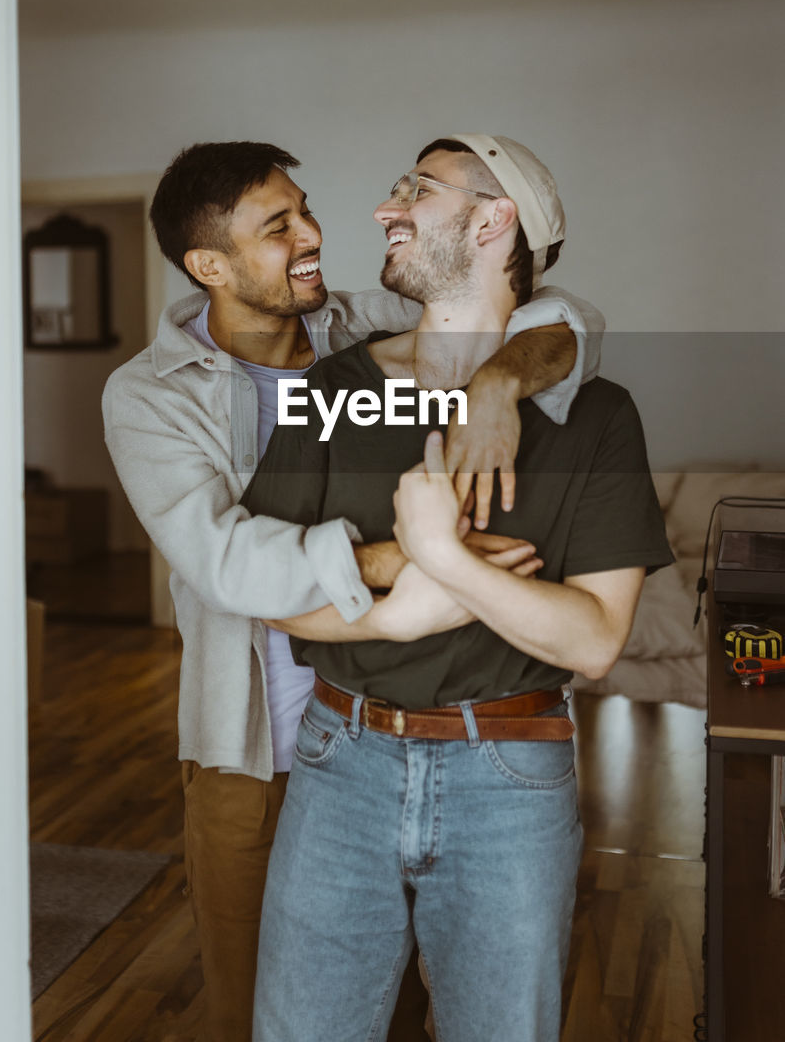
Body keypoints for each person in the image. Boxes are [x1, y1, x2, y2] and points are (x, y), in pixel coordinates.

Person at [101, 140, 605, 1042]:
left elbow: (554, 311)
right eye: (278, 226)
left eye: (304, 209)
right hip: (257, 746)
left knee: (426, 1005)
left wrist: (496, 381)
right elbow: (225, 563)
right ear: (208, 265)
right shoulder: (146, 394)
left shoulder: (356, 326)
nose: (314, 235)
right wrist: (408, 555)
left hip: (396, 732)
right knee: (263, 1012)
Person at [243, 134, 674, 1042]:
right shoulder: (335, 385)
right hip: (338, 762)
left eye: (417, 190)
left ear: (493, 220)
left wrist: (444, 558)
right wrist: (406, 608)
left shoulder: (595, 416)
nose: (382, 208)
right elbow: (269, 588)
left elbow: (594, 639)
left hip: (508, 779)